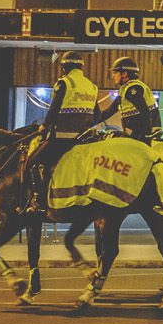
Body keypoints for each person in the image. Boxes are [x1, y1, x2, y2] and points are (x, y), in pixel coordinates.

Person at [23, 51, 101, 213]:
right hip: (84, 140)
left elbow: (53, 110)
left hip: (63, 138)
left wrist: (44, 126)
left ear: (65, 67)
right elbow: (98, 115)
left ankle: (40, 201)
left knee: (32, 163)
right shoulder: (91, 86)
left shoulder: (64, 83)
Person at [100, 56, 162, 143]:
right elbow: (108, 113)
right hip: (138, 134)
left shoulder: (132, 89)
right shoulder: (126, 90)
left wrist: (145, 135)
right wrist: (90, 123)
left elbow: (145, 112)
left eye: (115, 73)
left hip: (141, 135)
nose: (113, 76)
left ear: (124, 74)